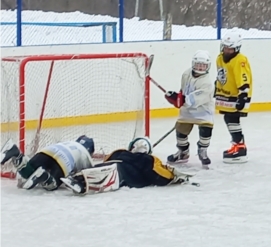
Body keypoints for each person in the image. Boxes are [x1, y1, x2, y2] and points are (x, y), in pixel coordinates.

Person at [60, 137, 194, 195]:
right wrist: (173, 176)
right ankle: (79, 180)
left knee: (108, 170)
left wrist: (172, 175)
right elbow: (158, 174)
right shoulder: (150, 158)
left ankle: (79, 180)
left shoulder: (121, 152)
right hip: (123, 173)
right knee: (109, 171)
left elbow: (107, 159)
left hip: (121, 171)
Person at [165, 50, 215, 168]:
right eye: (198, 65)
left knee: (205, 131)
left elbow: (194, 100)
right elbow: (184, 91)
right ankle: (183, 153)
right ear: (193, 64)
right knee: (181, 131)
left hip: (203, 110)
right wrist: (175, 97)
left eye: (203, 65)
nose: (200, 68)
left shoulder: (207, 83)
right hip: (187, 110)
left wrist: (180, 99)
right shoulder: (186, 74)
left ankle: (203, 151)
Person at [0, 135, 94, 191]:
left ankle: (15, 153)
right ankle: (44, 176)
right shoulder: (85, 154)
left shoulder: (68, 142)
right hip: (63, 161)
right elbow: (88, 174)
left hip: (45, 152)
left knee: (28, 173)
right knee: (52, 185)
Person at [215, 31, 253, 163]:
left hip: (237, 96)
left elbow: (243, 77)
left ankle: (240, 147)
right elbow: (221, 75)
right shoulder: (219, 58)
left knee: (232, 119)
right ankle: (237, 144)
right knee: (229, 118)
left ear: (236, 49)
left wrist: (243, 95)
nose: (227, 51)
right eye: (225, 48)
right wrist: (216, 88)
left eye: (230, 49)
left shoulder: (240, 60)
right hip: (225, 95)